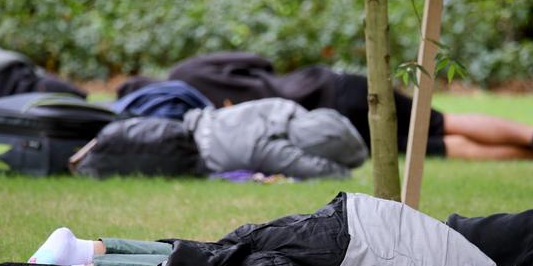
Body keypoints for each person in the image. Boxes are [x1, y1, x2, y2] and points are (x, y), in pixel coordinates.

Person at [17, 191, 533, 266]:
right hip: (356, 237)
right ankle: (81, 252)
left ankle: (87, 249)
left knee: (226, 251)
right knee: (223, 260)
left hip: (353, 224)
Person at [119, 52, 533, 160]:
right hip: (332, 88)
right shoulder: (187, 71)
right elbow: (258, 58)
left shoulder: (186, 111)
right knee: (441, 119)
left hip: (321, 128)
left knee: (436, 146)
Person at [73, 97, 369, 180]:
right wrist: (342, 170)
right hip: (189, 153)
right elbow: (320, 170)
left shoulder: (284, 107)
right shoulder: (273, 149)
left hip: (188, 122)